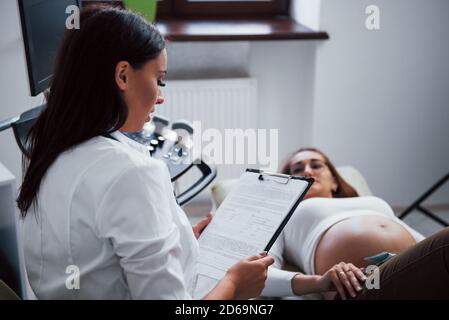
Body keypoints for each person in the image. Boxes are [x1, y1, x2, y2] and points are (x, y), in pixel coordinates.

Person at [16, 6, 277, 300]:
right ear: (123, 75)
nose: (161, 96)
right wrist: (233, 286)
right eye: (159, 79)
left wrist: (180, 243)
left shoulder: (45, 150)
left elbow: (97, 256)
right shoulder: (132, 172)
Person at [268, 147, 449, 299]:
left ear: (334, 181)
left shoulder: (372, 202)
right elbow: (262, 275)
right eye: (298, 169)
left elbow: (429, 247)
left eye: (316, 165)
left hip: (415, 274)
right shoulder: (283, 214)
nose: (308, 171)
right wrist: (319, 282)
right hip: (364, 286)